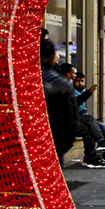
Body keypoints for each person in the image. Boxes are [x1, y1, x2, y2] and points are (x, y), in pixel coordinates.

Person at [58, 63, 105, 169]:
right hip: (62, 122)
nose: (74, 75)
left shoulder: (66, 85)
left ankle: (91, 157)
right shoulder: (62, 86)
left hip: (71, 119)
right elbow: (74, 103)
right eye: (73, 73)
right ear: (67, 74)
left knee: (88, 129)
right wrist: (89, 92)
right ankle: (101, 143)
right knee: (89, 120)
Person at [40, 39, 78, 167]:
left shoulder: (20, 80)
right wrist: (64, 145)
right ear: (52, 58)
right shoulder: (61, 83)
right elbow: (70, 117)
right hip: (54, 142)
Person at [73, 71, 105, 164]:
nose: (80, 83)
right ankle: (98, 146)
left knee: (101, 126)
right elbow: (77, 101)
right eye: (77, 81)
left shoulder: (82, 90)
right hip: (76, 118)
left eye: (82, 81)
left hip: (83, 116)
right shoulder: (72, 91)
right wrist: (89, 92)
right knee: (89, 125)